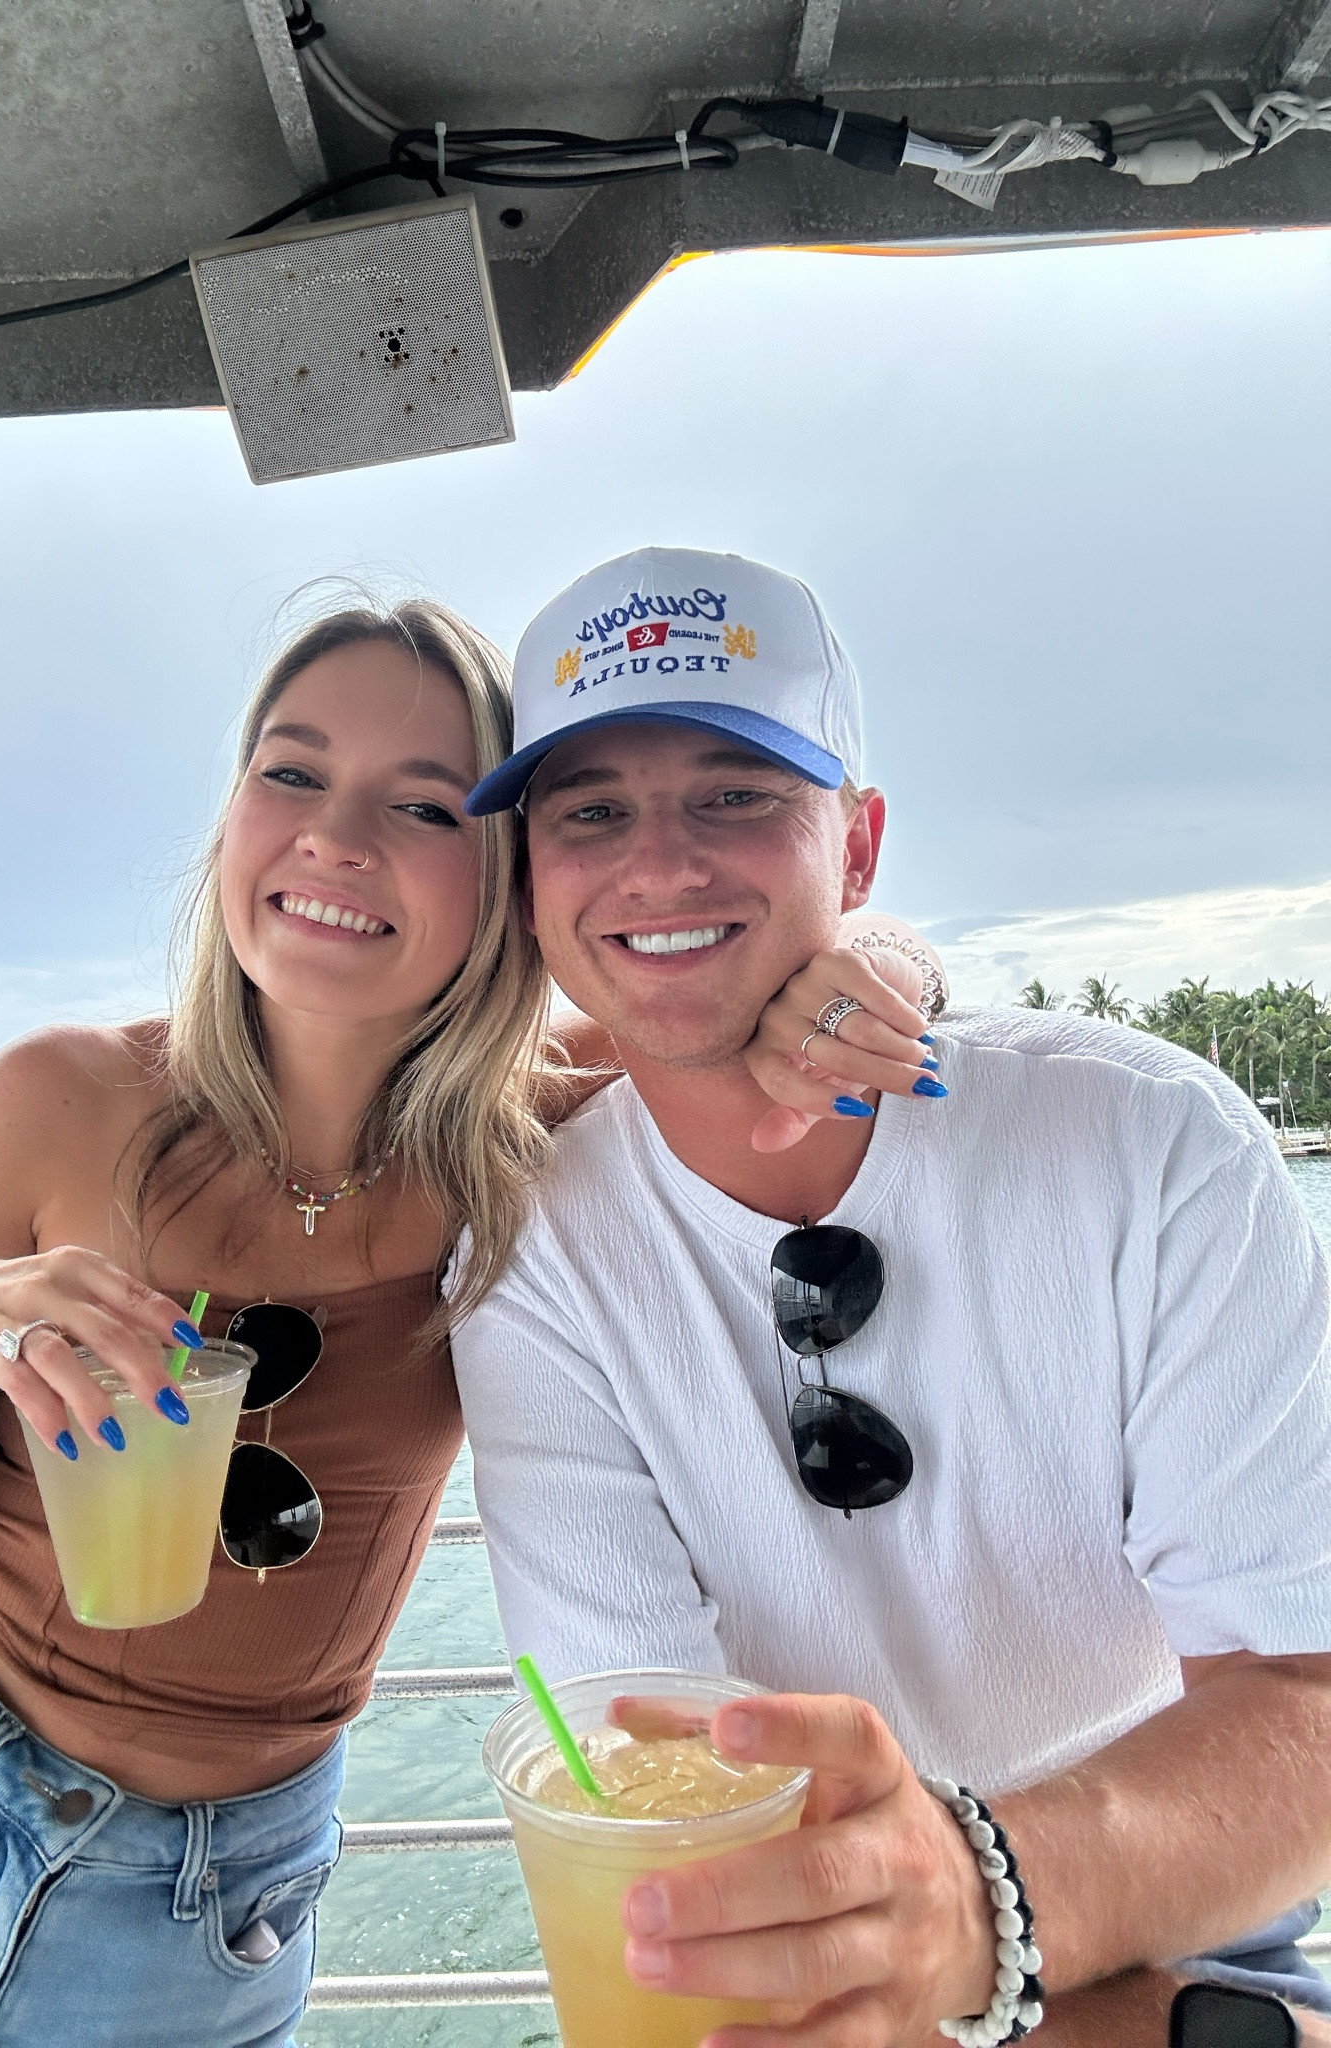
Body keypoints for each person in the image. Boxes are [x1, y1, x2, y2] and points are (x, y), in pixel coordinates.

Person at [0, 591, 941, 2048]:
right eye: (291, 773)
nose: (336, 838)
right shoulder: (57, 1100)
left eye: (420, 805)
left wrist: (885, 967)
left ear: (505, 877)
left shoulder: (537, 1130)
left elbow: (780, 963)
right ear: (232, 817)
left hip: (202, 1907)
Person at [453, 546, 1331, 2047]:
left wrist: (990, 1898)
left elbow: (1301, 1693)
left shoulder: (1147, 1139)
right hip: (795, 1949)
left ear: (854, 849)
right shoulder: (529, 1262)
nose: (660, 864)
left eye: (736, 794)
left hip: (1180, 1882)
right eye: (590, 812)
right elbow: (642, 1770)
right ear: (531, 886)